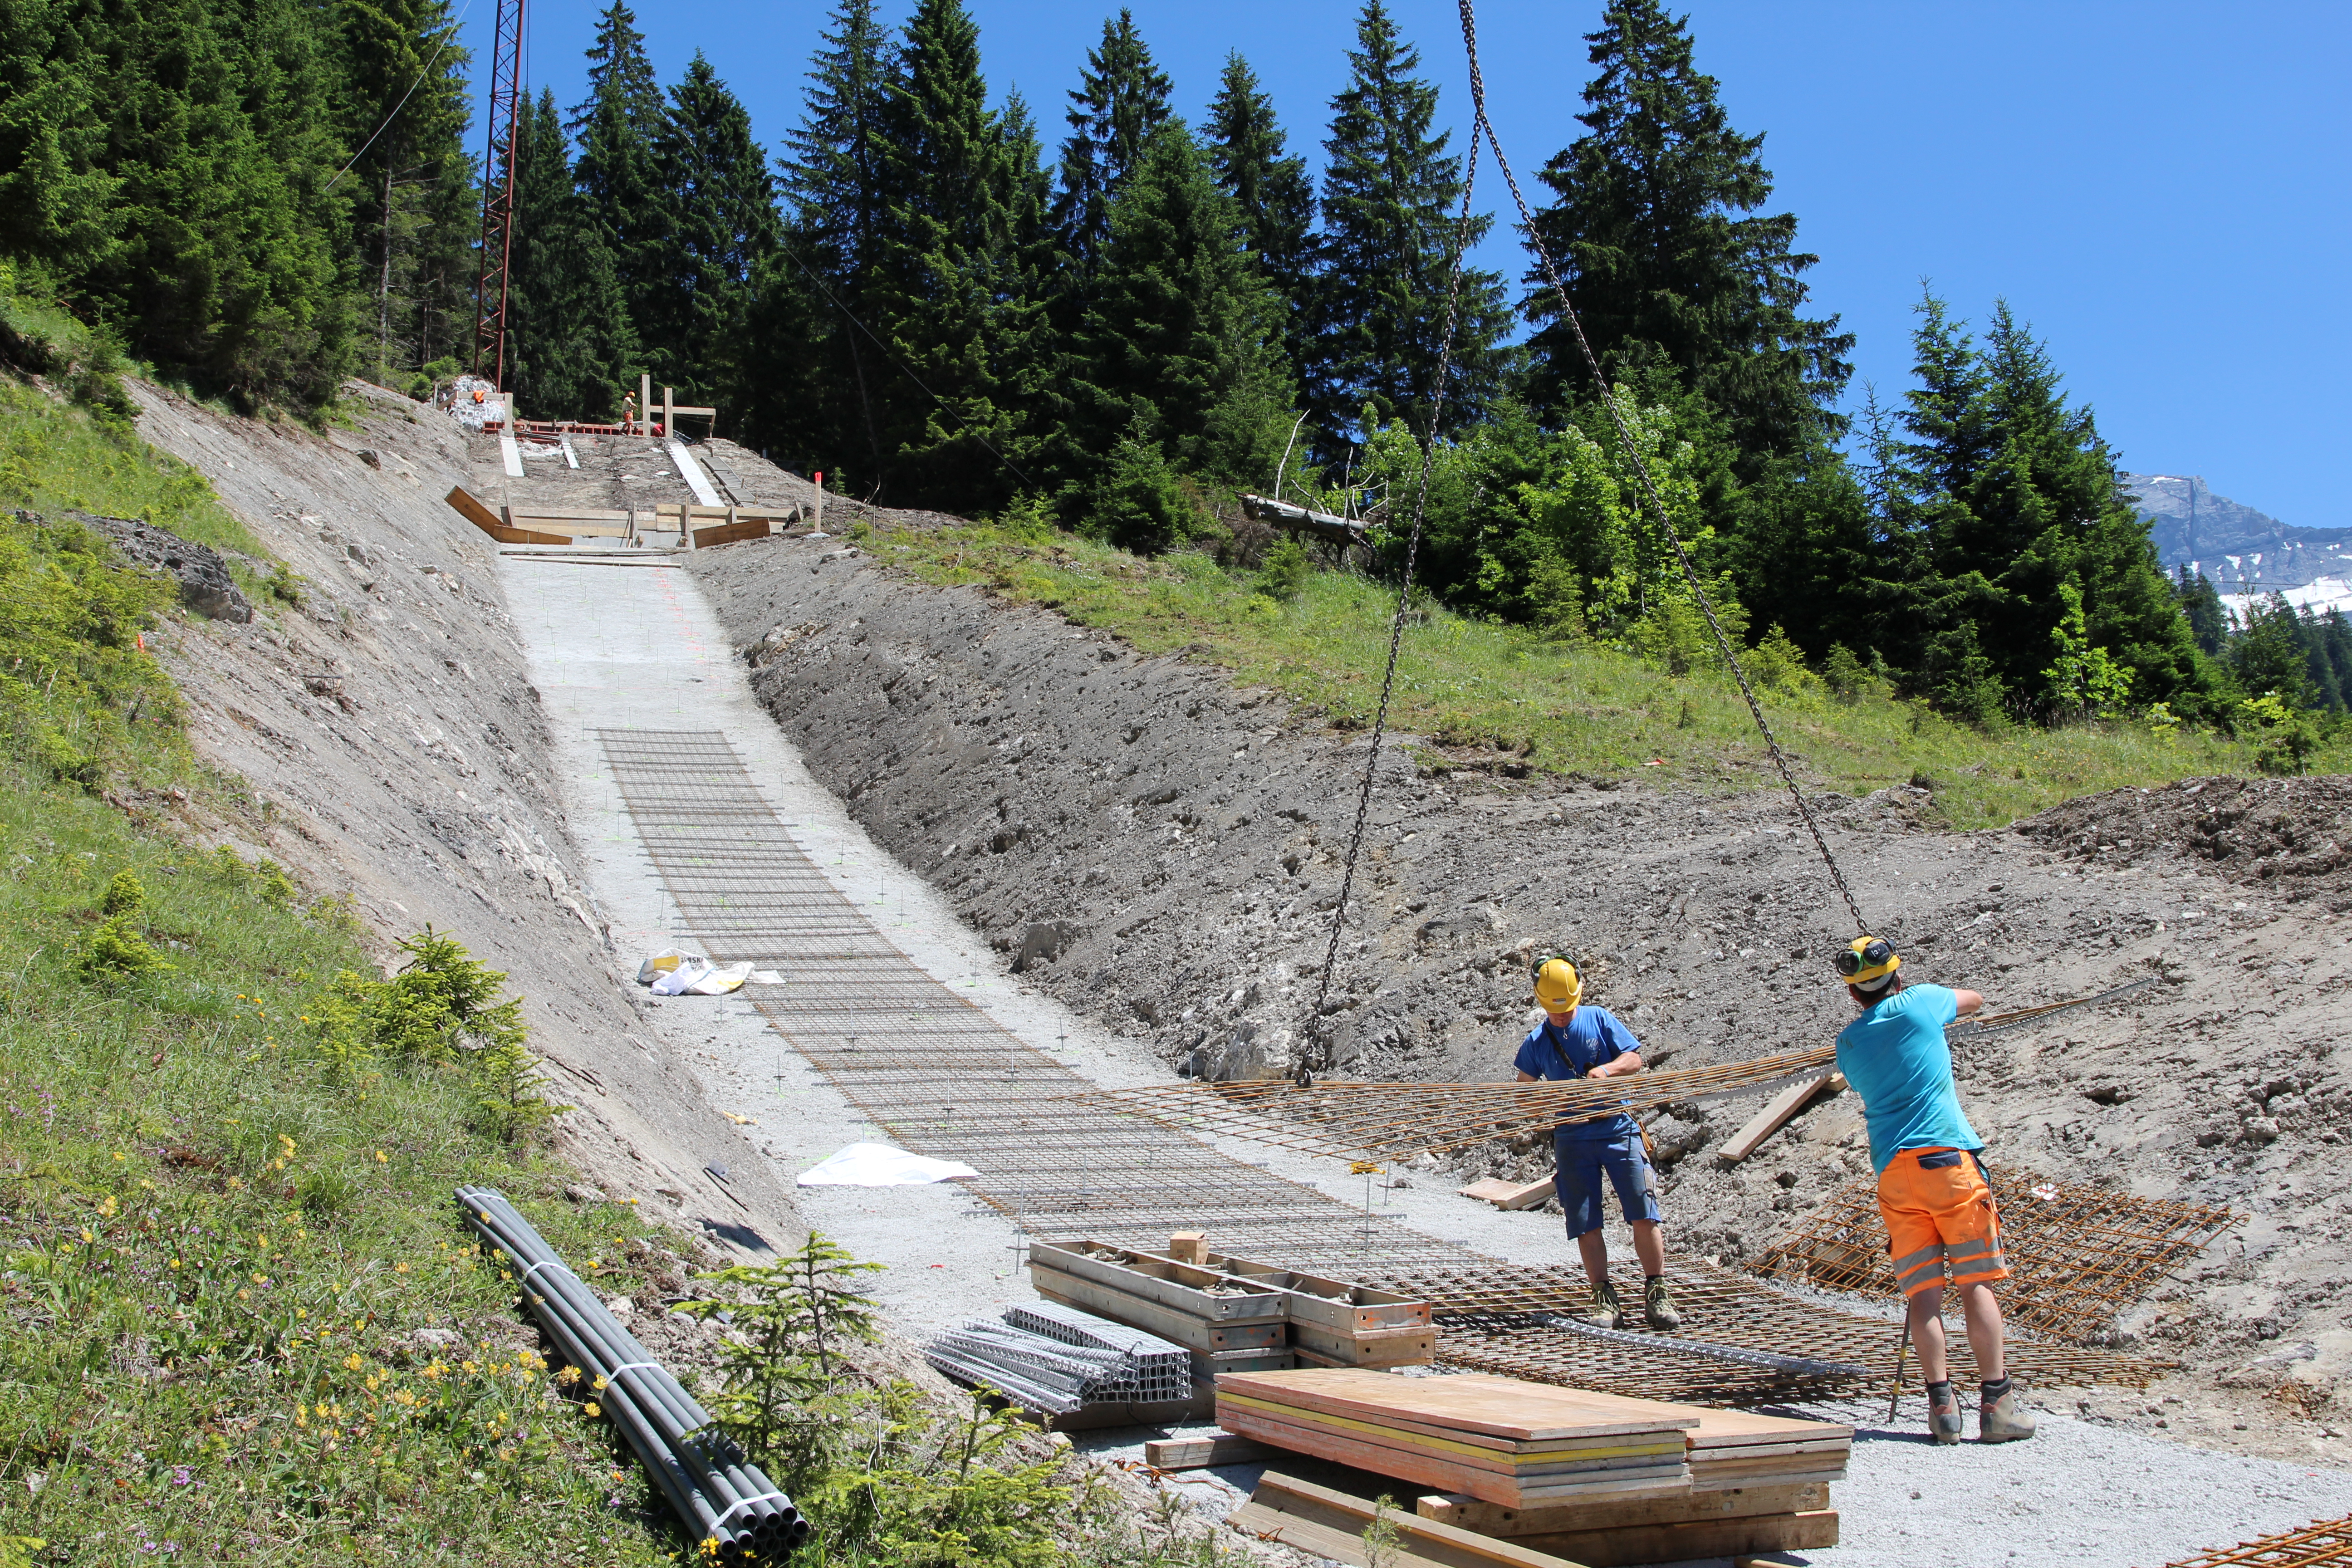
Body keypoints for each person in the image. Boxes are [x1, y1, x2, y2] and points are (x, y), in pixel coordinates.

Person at [1832, 935, 2034, 1445]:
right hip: (1946, 1162)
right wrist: (1916, 994)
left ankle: (1942, 1409)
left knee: (1924, 1294)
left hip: (1894, 1175)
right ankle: (1997, 1402)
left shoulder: (1849, 1044)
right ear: (1897, 979)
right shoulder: (1920, 1002)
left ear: (1854, 996)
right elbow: (1973, 999)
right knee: (1976, 1282)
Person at [1514, 957, 1679, 1332]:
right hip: (1573, 1137)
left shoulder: (1600, 1019)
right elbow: (1523, 1094)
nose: (1561, 1017)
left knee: (1644, 1210)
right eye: (1555, 1011)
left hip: (1618, 1128)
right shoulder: (1537, 1042)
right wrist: (1554, 1103)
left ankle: (1657, 1290)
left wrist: (1605, 1072)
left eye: (1567, 1009)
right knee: (1585, 1221)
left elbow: (1634, 1059)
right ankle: (1603, 1297)